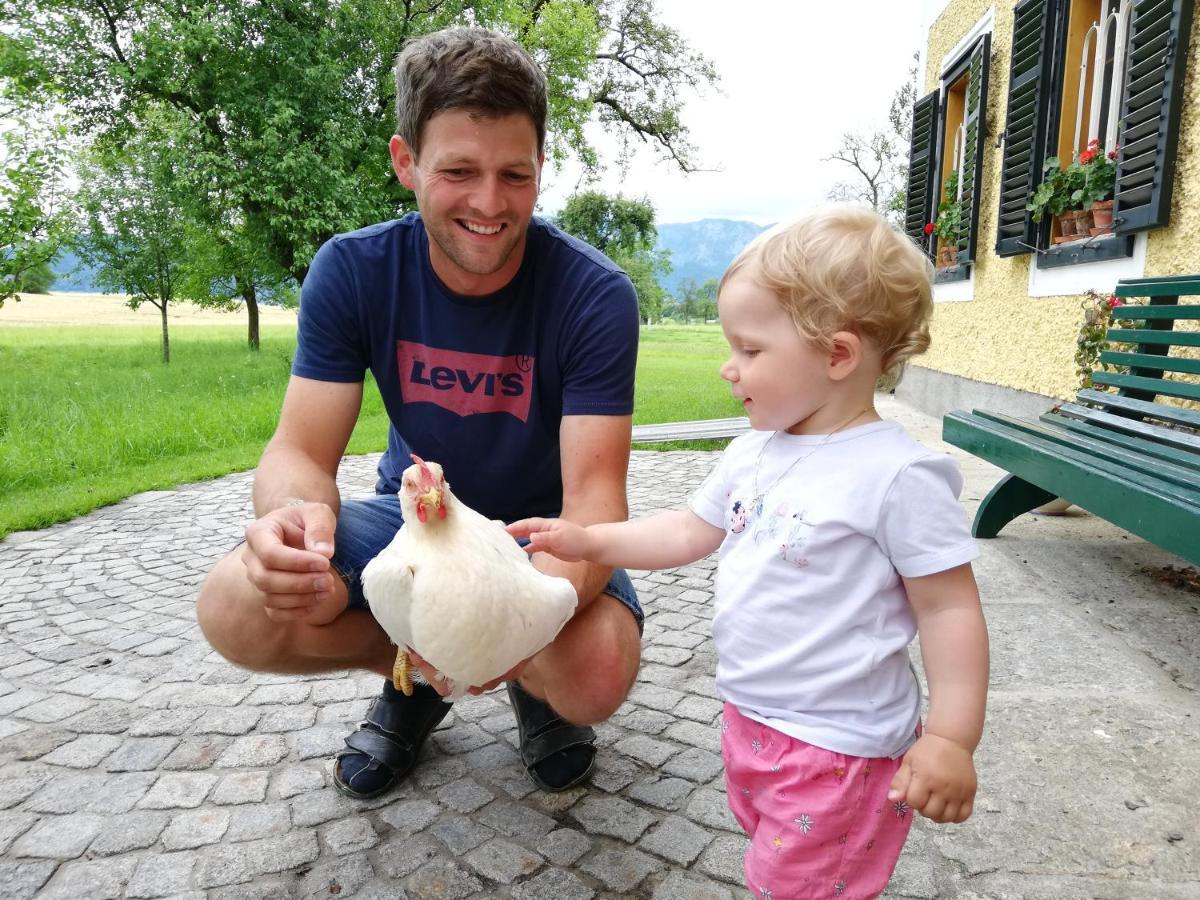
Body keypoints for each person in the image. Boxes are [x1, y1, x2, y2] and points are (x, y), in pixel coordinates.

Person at [196, 26, 644, 799]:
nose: (489, 203)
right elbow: (300, 451)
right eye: (459, 171)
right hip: (419, 522)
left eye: (516, 175)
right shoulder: (352, 269)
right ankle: (419, 678)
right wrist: (300, 530)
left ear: (542, 167)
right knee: (235, 604)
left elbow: (597, 501)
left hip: (542, 537)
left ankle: (526, 685)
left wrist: (513, 625)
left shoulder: (594, 294)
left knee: (596, 670)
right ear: (406, 162)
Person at [508, 207, 989, 899]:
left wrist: (950, 738)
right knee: (780, 866)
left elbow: (950, 612)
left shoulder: (897, 476)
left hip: (839, 748)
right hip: (753, 723)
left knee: (794, 886)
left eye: (751, 350)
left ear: (837, 355)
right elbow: (686, 531)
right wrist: (589, 539)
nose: (729, 368)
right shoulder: (753, 454)